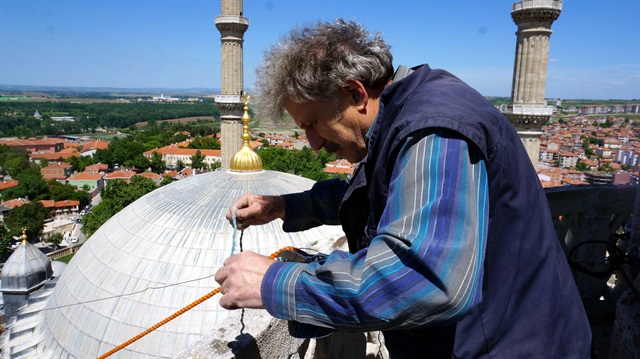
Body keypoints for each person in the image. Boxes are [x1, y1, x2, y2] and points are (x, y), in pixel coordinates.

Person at [214, 19, 591, 358]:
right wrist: (284, 205)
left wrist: (273, 283)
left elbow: (424, 280)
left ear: (356, 94)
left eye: (313, 123)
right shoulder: (405, 112)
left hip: (507, 346)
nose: (312, 143)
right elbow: (385, 193)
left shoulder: (435, 128)